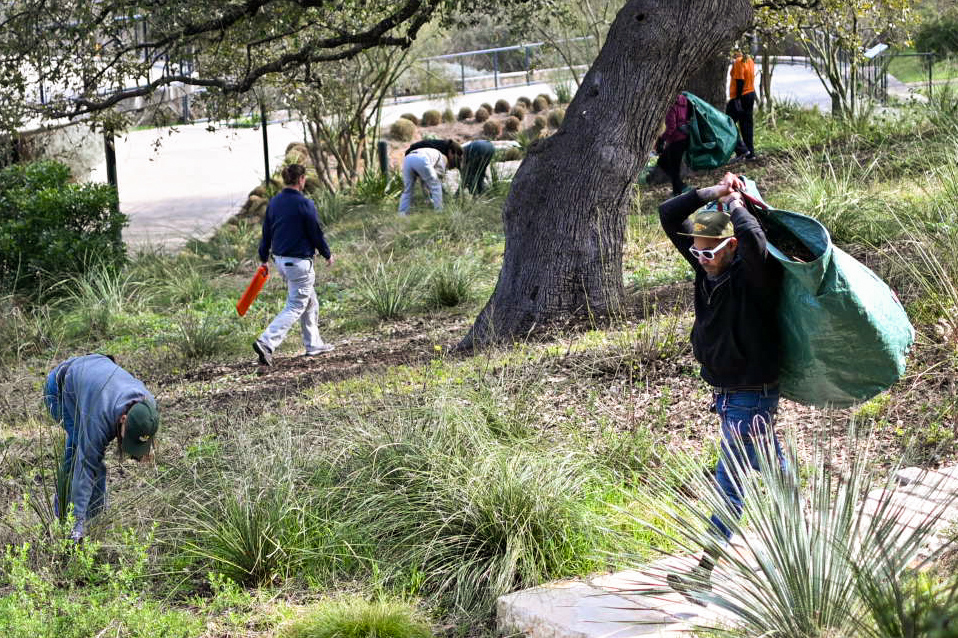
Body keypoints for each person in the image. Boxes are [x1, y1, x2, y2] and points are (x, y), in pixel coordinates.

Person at [658, 173, 784, 600]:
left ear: (730, 246)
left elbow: (753, 239)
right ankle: (807, 525)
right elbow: (668, 213)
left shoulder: (754, 276)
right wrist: (714, 192)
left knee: (730, 479)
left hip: (750, 392)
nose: (701, 258)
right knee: (769, 464)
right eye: (696, 250)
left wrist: (736, 205)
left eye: (710, 250)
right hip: (729, 393)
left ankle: (705, 569)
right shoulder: (704, 265)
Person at [43, 354, 160, 541]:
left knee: (90, 460)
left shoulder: (148, 405)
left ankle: (94, 526)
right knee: (82, 461)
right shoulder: (99, 420)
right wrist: (77, 528)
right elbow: (85, 470)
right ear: (122, 419)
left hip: (91, 376)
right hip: (60, 390)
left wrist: (147, 448)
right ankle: (70, 527)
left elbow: (147, 427)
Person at [253, 163, 334, 366]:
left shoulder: (274, 203)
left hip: (281, 260)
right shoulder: (304, 204)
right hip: (299, 263)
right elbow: (315, 232)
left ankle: (313, 344)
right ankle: (266, 342)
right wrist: (327, 253)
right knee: (296, 305)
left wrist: (263, 257)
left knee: (309, 301)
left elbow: (266, 232)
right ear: (301, 179)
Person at [398, 139, 462, 215]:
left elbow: (424, 182)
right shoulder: (443, 159)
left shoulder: (437, 150)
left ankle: (402, 213)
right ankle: (439, 212)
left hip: (408, 158)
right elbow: (436, 181)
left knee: (408, 190)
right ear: (451, 153)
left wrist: (428, 198)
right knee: (436, 186)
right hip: (421, 159)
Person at [655, 93, 692, 196]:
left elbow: (671, 127)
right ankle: (681, 186)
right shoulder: (684, 99)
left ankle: (678, 191)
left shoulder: (671, 105)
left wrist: (661, 140)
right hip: (684, 137)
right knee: (663, 162)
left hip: (676, 140)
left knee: (673, 167)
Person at [727, 49, 757, 162]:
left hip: (741, 96)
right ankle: (750, 153)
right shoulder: (749, 60)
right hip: (750, 94)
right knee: (747, 125)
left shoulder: (739, 61)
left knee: (727, 123)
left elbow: (740, 81)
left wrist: (737, 100)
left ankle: (741, 149)